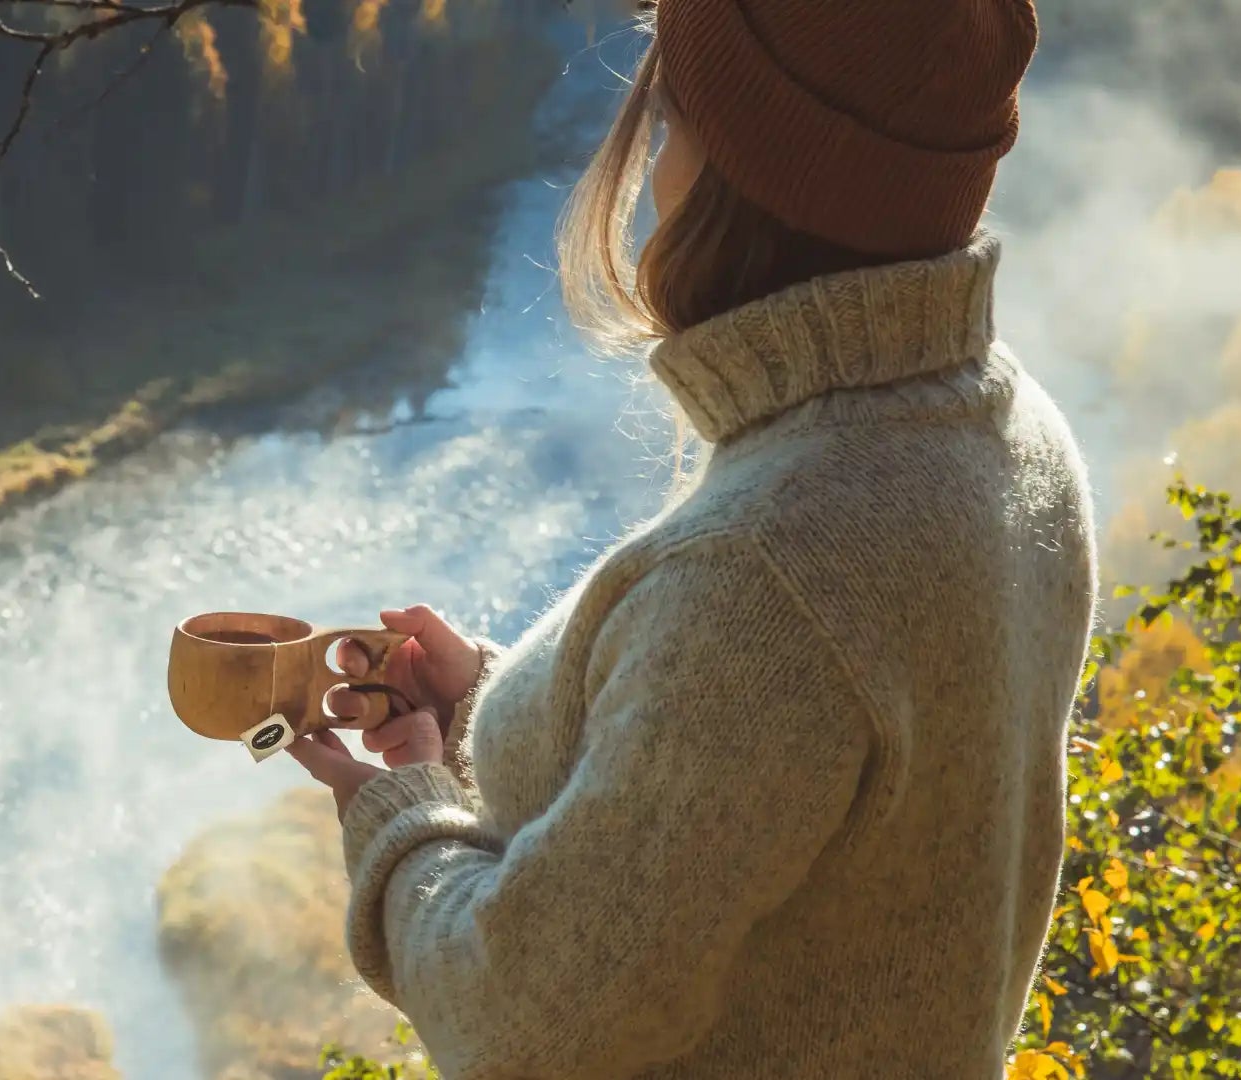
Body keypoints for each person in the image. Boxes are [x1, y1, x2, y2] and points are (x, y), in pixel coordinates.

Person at [284, 1, 1099, 1077]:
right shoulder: (1010, 433)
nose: (653, 167)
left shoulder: (763, 577)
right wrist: (496, 707)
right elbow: (764, 796)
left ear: (757, 177)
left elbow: (522, 1022)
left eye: (670, 124)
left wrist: (402, 818)